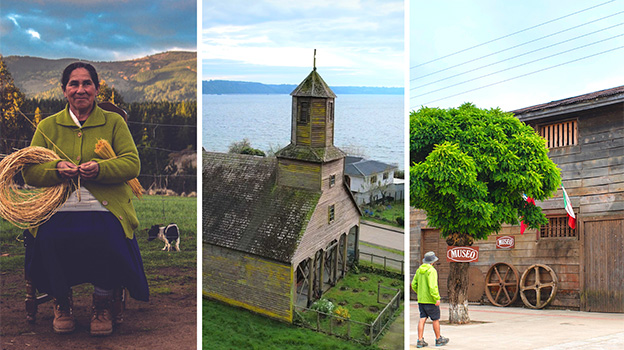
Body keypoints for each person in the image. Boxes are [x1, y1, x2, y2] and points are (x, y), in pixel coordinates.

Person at [22, 62, 149, 336]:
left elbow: (132, 164)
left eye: (86, 83)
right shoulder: (48, 126)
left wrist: (101, 169)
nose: (80, 89)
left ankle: (102, 302)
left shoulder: (113, 122)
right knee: (49, 237)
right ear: (64, 90)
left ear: (96, 88)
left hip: (105, 208)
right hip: (57, 208)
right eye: (74, 84)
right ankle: (62, 302)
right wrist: (56, 170)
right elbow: (29, 172)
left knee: (107, 235)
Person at [411, 251, 449, 348]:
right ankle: (438, 339)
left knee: (422, 318)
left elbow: (413, 284)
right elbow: (433, 286)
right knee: (435, 319)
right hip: (430, 300)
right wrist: (436, 297)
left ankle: (420, 340)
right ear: (432, 262)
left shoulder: (419, 270)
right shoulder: (432, 271)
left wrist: (419, 292)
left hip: (421, 299)